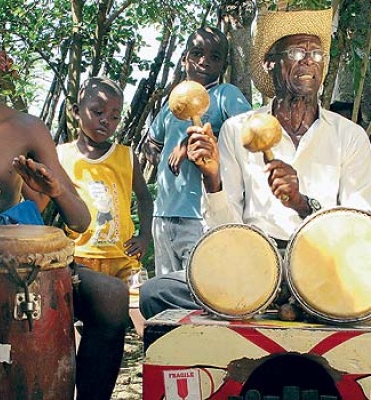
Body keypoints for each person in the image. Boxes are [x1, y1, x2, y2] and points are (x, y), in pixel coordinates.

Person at [140, 8, 371, 319]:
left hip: (324, 269)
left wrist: (303, 204)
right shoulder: (237, 130)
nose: (308, 60)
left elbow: (358, 232)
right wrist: (213, 180)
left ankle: (291, 307)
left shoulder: (350, 137)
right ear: (269, 63)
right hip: (252, 264)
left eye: (316, 54)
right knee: (157, 293)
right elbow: (225, 231)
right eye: (296, 51)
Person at [0, 9, 129, 400]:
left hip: (24, 263)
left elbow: (80, 219)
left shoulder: (26, 127)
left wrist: (56, 189)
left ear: (1, 56)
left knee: (111, 297)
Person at [144, 26, 251, 277]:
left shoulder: (226, 95)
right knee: (167, 293)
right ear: (184, 59)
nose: (204, 61)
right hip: (164, 213)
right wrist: (162, 159)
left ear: (223, 66)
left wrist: (193, 141)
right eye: (197, 53)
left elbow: (247, 137)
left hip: (201, 216)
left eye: (214, 57)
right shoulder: (173, 102)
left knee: (201, 290)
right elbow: (152, 142)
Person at [56, 77, 153, 336]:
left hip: (123, 257)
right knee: (76, 323)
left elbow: (144, 197)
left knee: (141, 314)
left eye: (114, 116)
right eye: (98, 112)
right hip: (80, 257)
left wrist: (145, 236)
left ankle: (156, 367)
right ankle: (74, 376)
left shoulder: (125, 156)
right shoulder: (62, 156)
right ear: (76, 111)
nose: (105, 121)